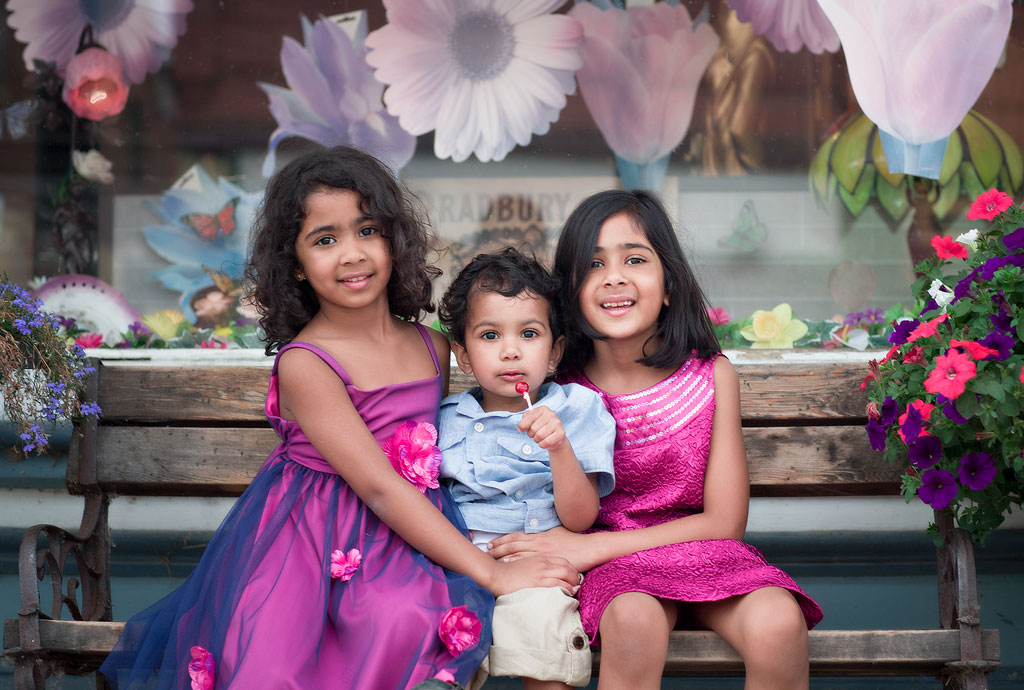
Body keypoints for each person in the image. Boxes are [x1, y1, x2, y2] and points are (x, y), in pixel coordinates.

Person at [98, 147, 579, 690]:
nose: (351, 253)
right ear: (296, 264)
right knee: (278, 665)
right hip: (310, 542)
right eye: (325, 239)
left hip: (410, 534)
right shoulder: (306, 362)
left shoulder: (434, 347)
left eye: (367, 230)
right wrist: (490, 572)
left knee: (404, 618)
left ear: (394, 240)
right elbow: (376, 486)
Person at [488, 190, 824, 690]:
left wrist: (584, 550)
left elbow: (725, 523)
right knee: (634, 622)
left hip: (708, 557)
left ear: (668, 284)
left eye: (635, 259)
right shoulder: (557, 393)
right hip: (617, 573)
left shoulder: (712, 376)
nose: (615, 276)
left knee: (779, 621)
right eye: (594, 264)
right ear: (572, 292)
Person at [437, 248, 616, 689]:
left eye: (530, 334)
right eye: (490, 335)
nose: (511, 351)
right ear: (462, 354)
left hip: (540, 566)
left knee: (545, 642)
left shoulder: (577, 409)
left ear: (554, 352)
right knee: (435, 649)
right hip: (456, 567)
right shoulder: (444, 418)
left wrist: (559, 449)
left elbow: (580, 519)